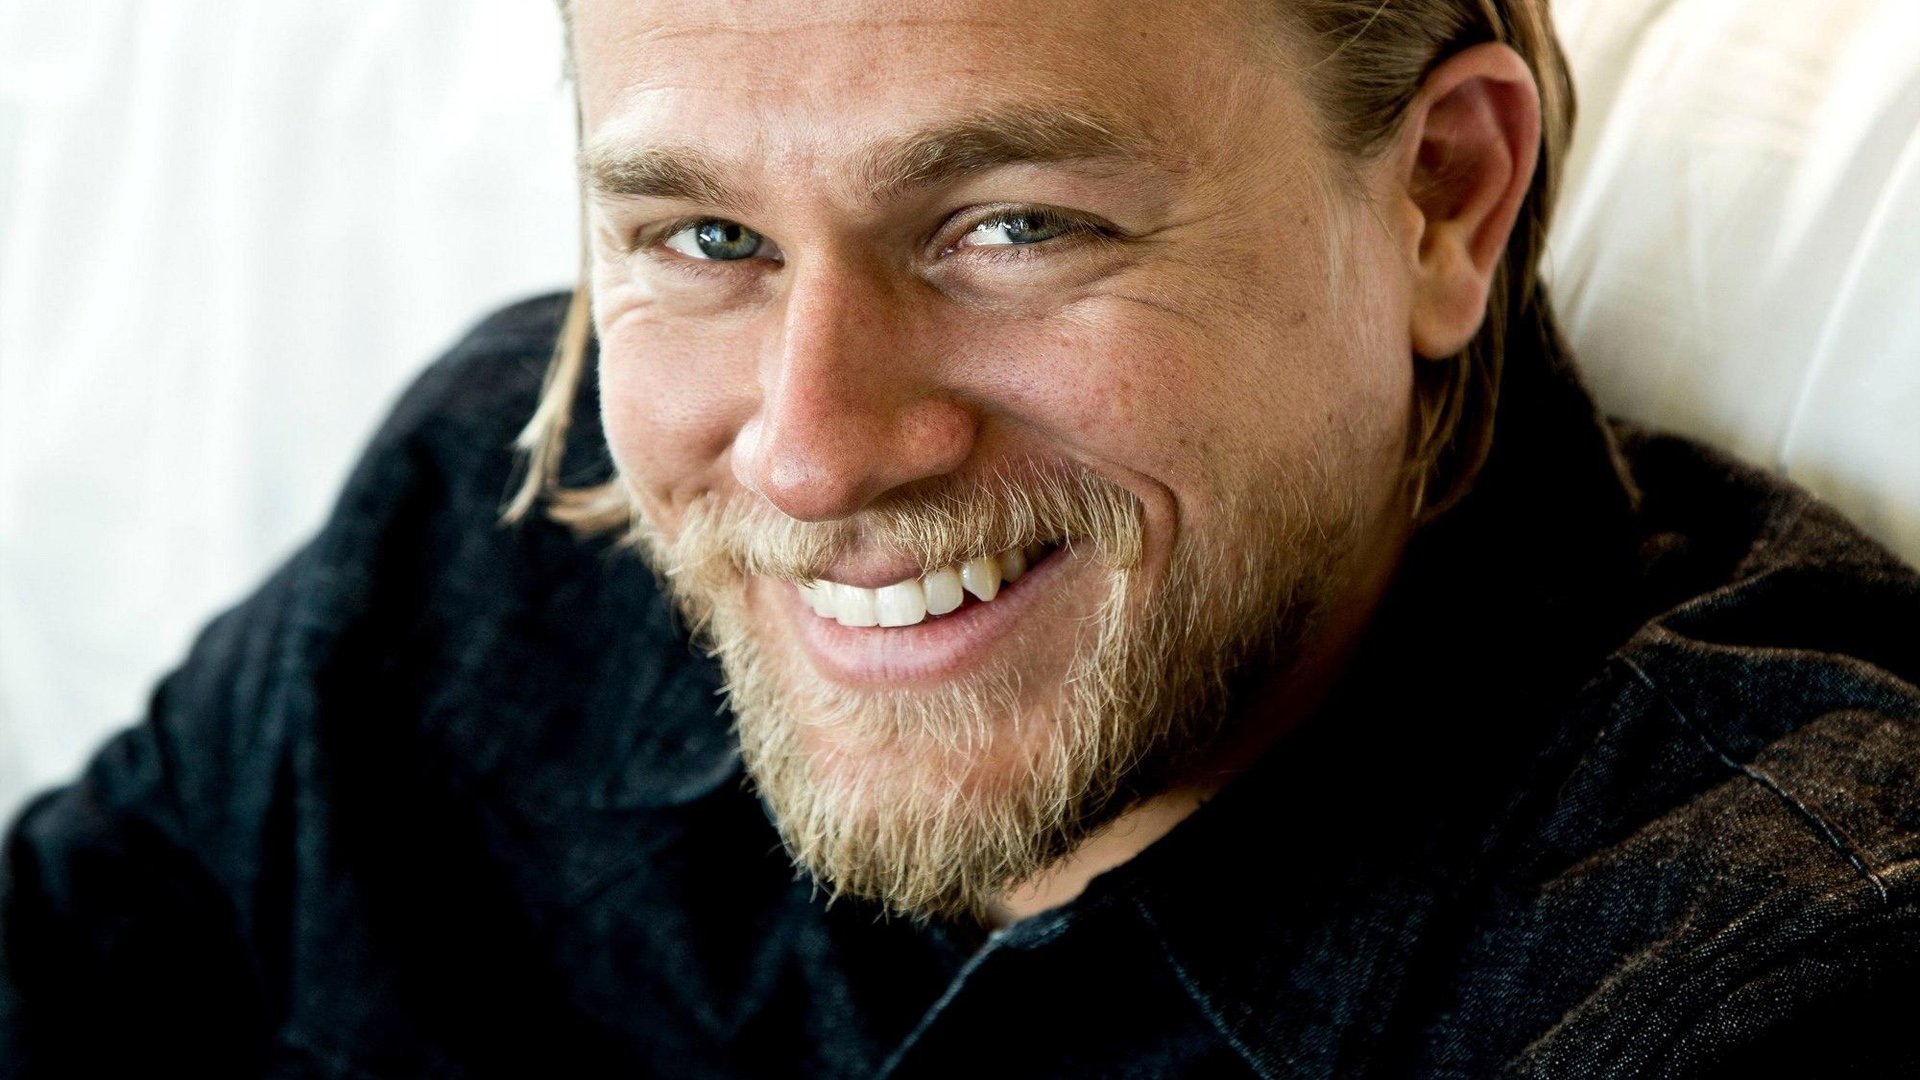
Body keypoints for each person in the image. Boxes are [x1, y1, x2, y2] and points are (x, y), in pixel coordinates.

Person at [3, 0, 1918, 1075]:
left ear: (1442, 196)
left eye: (1012, 226)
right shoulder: (485, 546)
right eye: (707, 239)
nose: (810, 456)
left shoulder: (1761, 980)